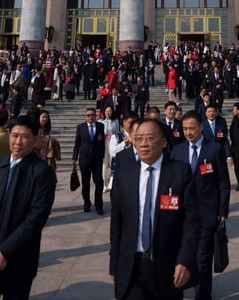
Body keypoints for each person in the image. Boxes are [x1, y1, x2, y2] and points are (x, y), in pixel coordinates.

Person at [0, 116, 57, 300]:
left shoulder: (41, 173)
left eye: (24, 136)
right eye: (14, 135)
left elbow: (35, 219)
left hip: (18, 262)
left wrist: (6, 252)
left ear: (35, 138)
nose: (18, 142)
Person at [109, 118, 200, 300]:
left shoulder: (180, 172)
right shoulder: (124, 175)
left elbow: (191, 223)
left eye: (150, 138)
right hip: (132, 267)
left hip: (168, 267)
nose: (143, 143)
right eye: (139, 138)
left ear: (164, 142)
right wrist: (114, 264)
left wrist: (185, 260)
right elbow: (117, 224)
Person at [174, 110, 230, 300]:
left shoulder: (214, 149)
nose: (188, 132)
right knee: (181, 258)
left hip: (207, 213)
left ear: (201, 128)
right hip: (182, 216)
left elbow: (223, 183)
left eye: (191, 128)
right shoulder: (178, 150)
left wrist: (223, 210)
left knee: (202, 261)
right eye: (185, 129)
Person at [72, 107, 106, 214]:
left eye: (92, 115)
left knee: (99, 182)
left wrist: (102, 155)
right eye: (88, 115)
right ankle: (87, 203)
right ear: (85, 117)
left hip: (97, 160)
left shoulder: (101, 126)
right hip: (85, 159)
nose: (90, 117)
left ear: (95, 116)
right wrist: (74, 157)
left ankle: (99, 205)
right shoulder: (80, 127)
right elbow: (77, 144)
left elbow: (102, 142)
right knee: (85, 183)